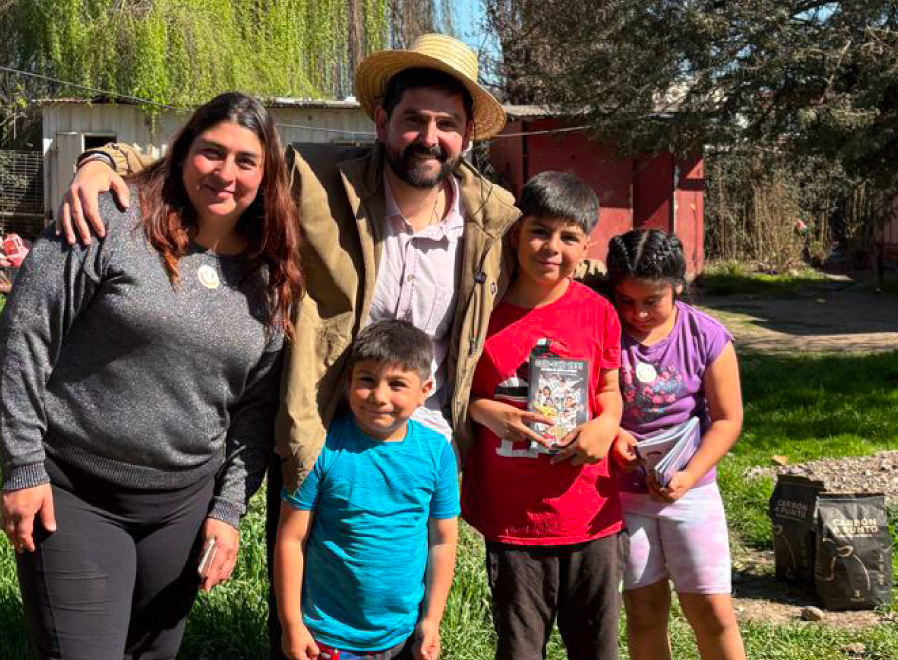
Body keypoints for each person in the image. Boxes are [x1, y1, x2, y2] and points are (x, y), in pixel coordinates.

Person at [56, 34, 520, 658]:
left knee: (404, 604)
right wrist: (104, 159)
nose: (429, 137)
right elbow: (215, 158)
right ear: (383, 119)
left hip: (425, 447)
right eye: (414, 119)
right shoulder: (319, 183)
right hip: (322, 433)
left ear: (468, 135)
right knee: (302, 610)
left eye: (447, 124)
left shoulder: (496, 223)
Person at [0, 92, 301, 660]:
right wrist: (22, 465)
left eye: (245, 161)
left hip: (182, 508)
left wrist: (228, 511)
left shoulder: (270, 276)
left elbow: (254, 409)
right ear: (183, 153)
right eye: (212, 152)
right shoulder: (111, 218)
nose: (225, 174)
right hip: (75, 491)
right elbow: (23, 334)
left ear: (267, 175)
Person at [462, 171, 628, 660]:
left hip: (590, 514)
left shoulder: (598, 312)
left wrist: (606, 425)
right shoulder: (479, 314)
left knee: (597, 648)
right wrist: (485, 411)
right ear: (516, 234)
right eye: (539, 230)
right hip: (514, 520)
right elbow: (453, 393)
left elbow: (610, 388)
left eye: (568, 237)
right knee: (520, 649)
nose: (551, 247)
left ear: (585, 246)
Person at [275, 320, 459, 660]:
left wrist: (431, 621)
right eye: (367, 380)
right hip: (327, 638)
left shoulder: (437, 454)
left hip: (403, 637)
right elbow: (290, 538)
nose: (379, 396)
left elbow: (443, 540)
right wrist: (291, 625)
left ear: (426, 389)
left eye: (397, 384)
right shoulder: (323, 448)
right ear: (348, 382)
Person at [606, 229, 746, 660]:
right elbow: (594, 401)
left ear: (677, 286)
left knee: (711, 611)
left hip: (692, 492)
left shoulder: (707, 335)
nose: (638, 314)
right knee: (644, 612)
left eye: (652, 301)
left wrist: (689, 475)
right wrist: (611, 433)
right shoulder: (605, 328)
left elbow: (727, 418)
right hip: (625, 498)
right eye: (626, 301)